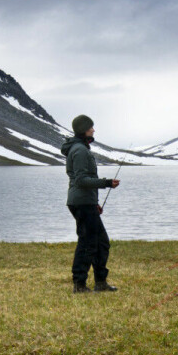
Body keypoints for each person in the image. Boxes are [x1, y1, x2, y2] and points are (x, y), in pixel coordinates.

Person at [61, 115, 120, 293]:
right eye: (91, 127)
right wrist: (106, 183)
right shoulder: (79, 150)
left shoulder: (81, 148)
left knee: (101, 242)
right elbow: (81, 180)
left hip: (85, 203)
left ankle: (100, 282)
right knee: (87, 243)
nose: (93, 130)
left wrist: (94, 203)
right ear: (83, 130)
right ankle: (79, 285)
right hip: (81, 203)